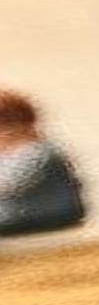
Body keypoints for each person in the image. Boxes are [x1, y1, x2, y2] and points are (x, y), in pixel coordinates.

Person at [0, 90, 86, 236]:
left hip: (45, 212)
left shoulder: (36, 151)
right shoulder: (14, 154)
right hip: (25, 210)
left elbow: (9, 183)